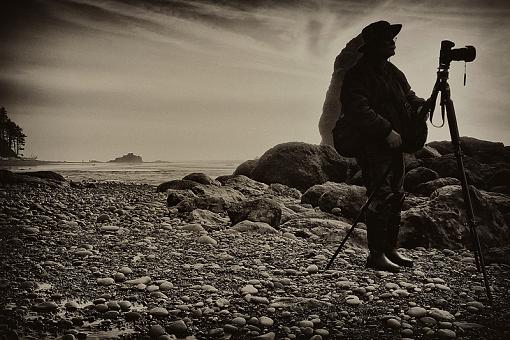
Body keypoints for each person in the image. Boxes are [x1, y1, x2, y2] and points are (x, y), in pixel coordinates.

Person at [339, 21, 429, 272]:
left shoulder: (393, 72)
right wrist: (386, 130)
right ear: (375, 44)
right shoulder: (358, 74)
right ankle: (376, 255)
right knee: (381, 196)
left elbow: (408, 95)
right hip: (372, 145)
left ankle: (390, 249)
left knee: (397, 196)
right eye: (388, 38)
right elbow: (358, 109)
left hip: (394, 145)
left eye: (393, 38)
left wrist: (421, 104)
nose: (393, 42)